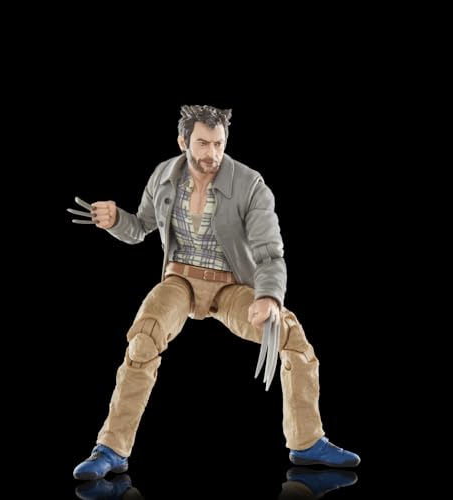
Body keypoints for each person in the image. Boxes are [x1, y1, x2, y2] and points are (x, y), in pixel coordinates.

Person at [71, 105, 360, 480]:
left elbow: (269, 252)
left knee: (291, 334)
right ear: (183, 142)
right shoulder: (164, 177)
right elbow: (141, 227)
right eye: (202, 143)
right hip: (179, 280)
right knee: (144, 336)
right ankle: (112, 448)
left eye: (219, 143)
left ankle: (307, 441)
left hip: (231, 285)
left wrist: (268, 297)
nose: (212, 153)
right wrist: (116, 220)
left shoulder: (249, 184)